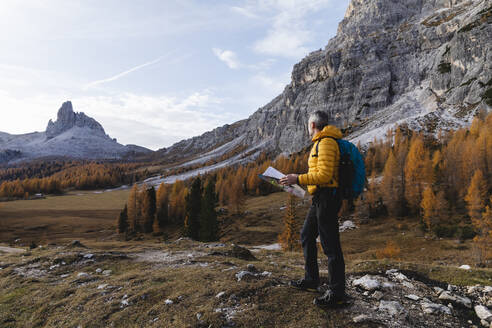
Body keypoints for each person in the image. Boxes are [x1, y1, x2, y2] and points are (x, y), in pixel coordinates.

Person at [279, 110, 345, 307]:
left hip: (327, 198)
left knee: (330, 245)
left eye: (308, 125)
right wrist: (297, 184)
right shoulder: (321, 143)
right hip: (319, 197)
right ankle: (311, 280)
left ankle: (337, 293)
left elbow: (324, 175)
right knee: (307, 235)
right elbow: (318, 174)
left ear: (313, 125)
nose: (307, 129)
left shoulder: (326, 143)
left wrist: (297, 178)